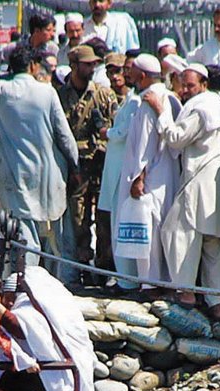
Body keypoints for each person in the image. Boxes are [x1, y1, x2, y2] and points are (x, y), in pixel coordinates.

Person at [0, 46, 79, 271]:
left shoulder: (0, 89)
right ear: (33, 66)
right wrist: (75, 165)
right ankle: (56, 283)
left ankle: (26, 283)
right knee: (54, 235)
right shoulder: (47, 91)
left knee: (24, 233)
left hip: (14, 174)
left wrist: (7, 74)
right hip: (48, 173)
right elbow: (64, 136)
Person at [145, 63, 220, 317]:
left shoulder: (202, 109)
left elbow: (176, 138)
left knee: (176, 233)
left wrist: (160, 110)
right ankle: (216, 303)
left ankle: (186, 294)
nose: (185, 90)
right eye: (183, 85)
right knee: (211, 245)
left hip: (199, 180)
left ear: (203, 84)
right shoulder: (218, 105)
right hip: (214, 182)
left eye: (190, 85)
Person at [115, 54, 181, 292]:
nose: (128, 75)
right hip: (165, 174)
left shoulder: (148, 101)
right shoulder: (167, 97)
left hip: (151, 176)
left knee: (148, 231)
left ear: (142, 76)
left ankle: (150, 284)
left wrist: (138, 178)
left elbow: (144, 145)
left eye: (132, 71)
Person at [57, 45, 118, 284]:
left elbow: (116, 130)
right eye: (87, 64)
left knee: (104, 219)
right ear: (74, 65)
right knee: (78, 219)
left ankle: (103, 270)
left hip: (101, 164)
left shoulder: (103, 94)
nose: (92, 68)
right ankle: (81, 265)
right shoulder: (61, 96)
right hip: (76, 168)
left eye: (94, 64)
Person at [99, 53, 142, 290]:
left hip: (124, 170)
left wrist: (107, 133)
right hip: (116, 168)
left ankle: (127, 281)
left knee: (122, 227)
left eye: (129, 69)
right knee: (116, 226)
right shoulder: (131, 99)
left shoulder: (135, 101)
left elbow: (124, 132)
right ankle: (124, 278)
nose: (125, 74)